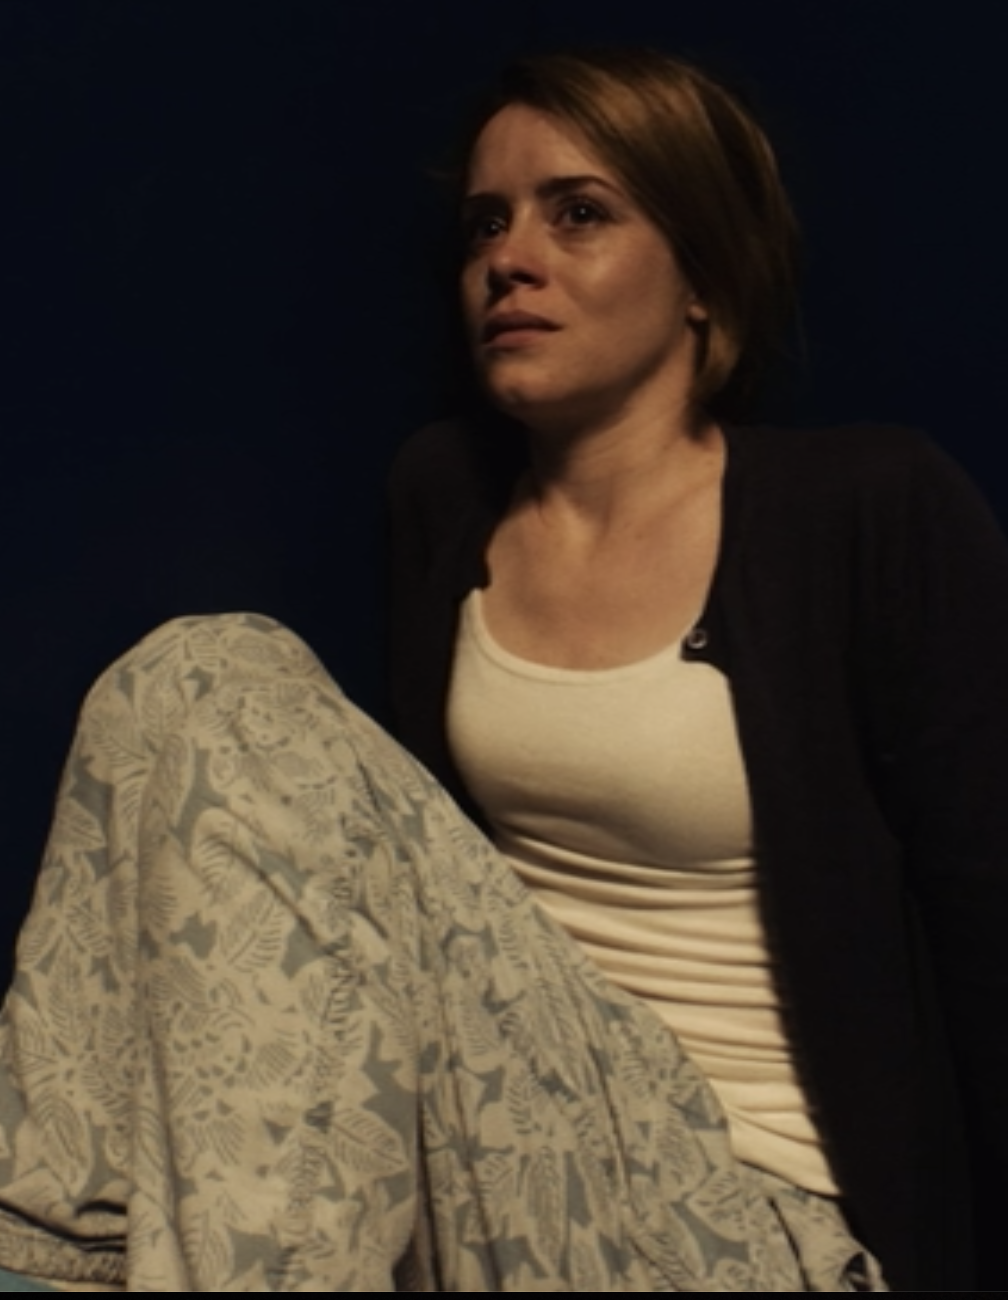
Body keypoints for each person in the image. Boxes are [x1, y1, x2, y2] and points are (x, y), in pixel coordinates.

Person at [0, 46, 1000, 1293]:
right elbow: (389, 911)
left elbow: (987, 915)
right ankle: (61, 1259)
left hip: (752, 1219)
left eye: (579, 213)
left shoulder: (866, 509)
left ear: (701, 269)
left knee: (223, 671)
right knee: (178, 683)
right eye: (488, 221)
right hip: (491, 1157)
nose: (508, 259)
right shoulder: (446, 498)